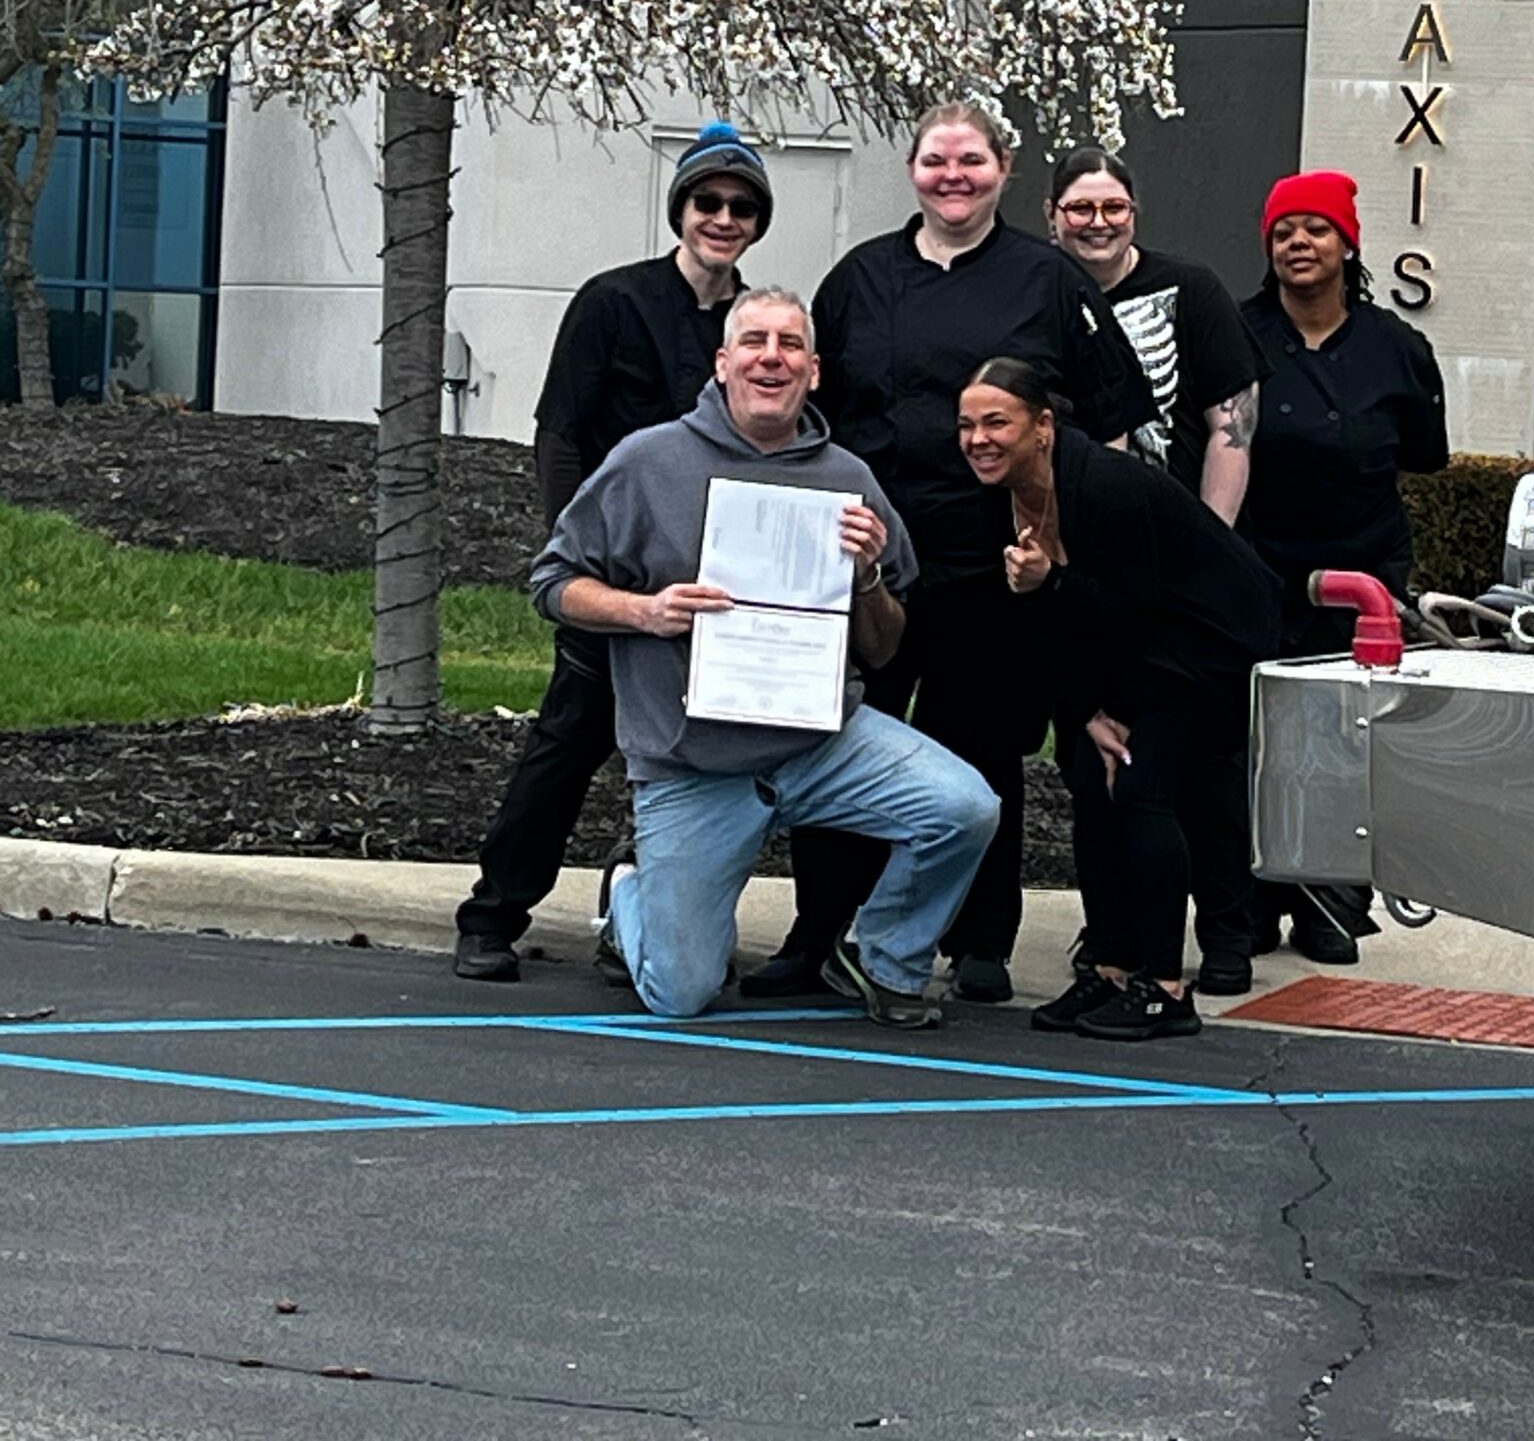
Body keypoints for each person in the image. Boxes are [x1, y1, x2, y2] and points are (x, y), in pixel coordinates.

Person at [529, 286, 998, 1025]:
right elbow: (552, 583)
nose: (771, 358)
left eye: (790, 345)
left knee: (965, 808)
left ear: (814, 370)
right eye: (753, 342)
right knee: (681, 993)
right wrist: (644, 611)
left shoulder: (848, 480)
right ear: (722, 363)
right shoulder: (648, 461)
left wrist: (867, 577)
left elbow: (883, 647)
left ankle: (883, 958)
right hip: (695, 765)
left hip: (822, 744)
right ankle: (628, 893)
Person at [764, 100, 1147, 1006]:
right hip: (866, 559)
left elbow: (1111, 426)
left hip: (989, 564)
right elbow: (813, 417)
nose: (953, 176)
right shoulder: (859, 278)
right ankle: (819, 930)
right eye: (936, 160)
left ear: (1004, 169)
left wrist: (1073, 544)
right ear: (912, 171)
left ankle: (981, 939)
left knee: (981, 750)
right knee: (840, 736)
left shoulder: (1049, 280)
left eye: (971, 160)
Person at [454, 120, 777, 983]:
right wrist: (574, 554)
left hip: (713, 590)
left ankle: (635, 911)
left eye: (742, 206)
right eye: (707, 201)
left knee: (689, 762)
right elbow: (559, 434)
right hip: (618, 582)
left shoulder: (757, 325)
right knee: (568, 743)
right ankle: (493, 913)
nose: (723, 218)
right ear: (681, 209)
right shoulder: (612, 301)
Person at [955, 358, 1279, 1039]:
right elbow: (1054, 626)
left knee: (1139, 788)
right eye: (966, 425)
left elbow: (1137, 607)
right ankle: (1109, 966)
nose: (978, 439)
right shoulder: (1001, 496)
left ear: (1043, 426)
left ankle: (1163, 988)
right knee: (1087, 777)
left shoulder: (1106, 485)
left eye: (996, 422)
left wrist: (1117, 709)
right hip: (1127, 648)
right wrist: (1087, 713)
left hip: (1203, 642)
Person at [1241, 169, 1449, 965]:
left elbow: (1423, 453)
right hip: (1258, 569)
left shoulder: (1398, 347)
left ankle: (1332, 902)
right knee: (1254, 741)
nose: (1299, 242)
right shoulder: (1238, 334)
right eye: (1283, 230)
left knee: (1342, 742)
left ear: (1348, 243)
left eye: (1316, 228)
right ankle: (1249, 899)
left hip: (1362, 577)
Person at [1045, 147, 1266, 525]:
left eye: (1114, 208)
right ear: (1051, 213)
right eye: (1080, 209)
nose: (1099, 222)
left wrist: (1211, 539)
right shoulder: (1033, 295)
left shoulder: (1193, 289)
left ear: (1133, 211)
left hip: (1177, 528)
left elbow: (1233, 430)